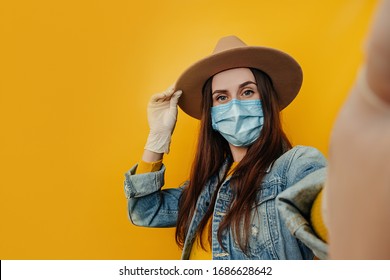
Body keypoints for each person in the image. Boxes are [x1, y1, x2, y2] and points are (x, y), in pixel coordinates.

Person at [124, 35, 327, 259]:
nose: (235, 106)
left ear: (266, 100)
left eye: (247, 92)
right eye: (221, 97)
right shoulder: (208, 188)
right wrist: (158, 137)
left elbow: (330, 207)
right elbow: (144, 211)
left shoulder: (296, 165)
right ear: (211, 115)